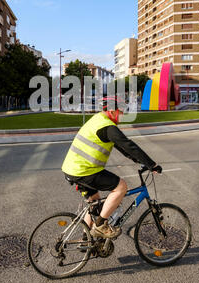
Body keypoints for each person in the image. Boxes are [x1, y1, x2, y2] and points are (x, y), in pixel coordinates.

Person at [62, 96, 162, 240]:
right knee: (121, 187)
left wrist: (138, 160)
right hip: (84, 170)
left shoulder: (98, 120)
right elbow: (128, 145)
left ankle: (86, 239)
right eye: (119, 111)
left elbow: (123, 148)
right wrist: (152, 164)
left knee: (94, 204)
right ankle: (101, 225)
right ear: (111, 110)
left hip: (72, 168)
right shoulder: (108, 127)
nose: (121, 115)